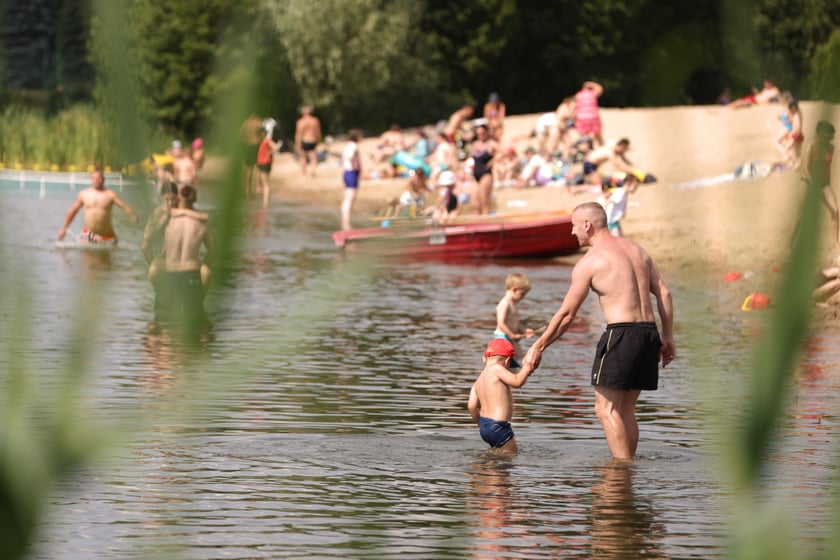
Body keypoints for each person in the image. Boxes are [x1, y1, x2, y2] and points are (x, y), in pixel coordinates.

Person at [522, 202, 675, 459]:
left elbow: (567, 315)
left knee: (605, 409)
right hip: (650, 333)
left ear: (587, 225)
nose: (572, 233)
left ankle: (622, 474)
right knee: (626, 409)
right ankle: (629, 471)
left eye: (573, 226)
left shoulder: (590, 261)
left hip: (621, 334)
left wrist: (538, 346)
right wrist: (668, 335)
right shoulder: (638, 250)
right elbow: (664, 292)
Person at [157, 185, 215, 322]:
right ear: (195, 200)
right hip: (191, 274)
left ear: (178, 198)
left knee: (165, 323)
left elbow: (149, 241)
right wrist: (204, 265)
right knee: (195, 320)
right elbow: (213, 252)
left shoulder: (167, 219)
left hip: (169, 274)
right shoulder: (202, 224)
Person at [467, 338, 533, 454]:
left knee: (496, 456)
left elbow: (471, 407)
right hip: (499, 426)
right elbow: (517, 382)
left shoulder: (477, 382)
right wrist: (526, 368)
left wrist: (480, 424)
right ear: (507, 361)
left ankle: (481, 470)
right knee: (509, 458)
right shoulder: (497, 369)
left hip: (484, 426)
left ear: (484, 358)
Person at [57, 167, 138, 245]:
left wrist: (133, 215)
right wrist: (64, 229)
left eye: (99, 178)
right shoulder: (84, 194)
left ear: (103, 179)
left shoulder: (110, 195)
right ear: (91, 179)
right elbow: (73, 212)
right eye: (95, 178)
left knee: (108, 257)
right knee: (86, 258)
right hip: (89, 234)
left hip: (107, 234)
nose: (97, 180)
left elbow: (124, 206)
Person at [800, 120, 839, 247]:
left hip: (823, 183)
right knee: (803, 217)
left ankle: (836, 242)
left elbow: (827, 168)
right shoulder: (811, 145)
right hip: (808, 181)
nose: (830, 139)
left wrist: (827, 186)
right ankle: (792, 243)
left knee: (836, 210)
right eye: (828, 136)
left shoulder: (831, 148)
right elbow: (805, 168)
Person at [494, 273, 536, 359]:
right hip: (503, 338)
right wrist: (512, 335)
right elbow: (501, 324)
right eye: (522, 294)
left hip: (510, 337)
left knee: (521, 358)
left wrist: (524, 331)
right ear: (514, 289)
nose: (523, 297)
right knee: (506, 361)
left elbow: (514, 324)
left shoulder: (513, 304)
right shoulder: (505, 303)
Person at [597, 173, 640, 237]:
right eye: (635, 187)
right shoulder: (620, 193)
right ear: (628, 183)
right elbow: (609, 201)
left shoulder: (624, 193)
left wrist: (624, 213)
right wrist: (603, 213)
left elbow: (623, 204)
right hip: (610, 221)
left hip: (614, 221)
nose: (636, 189)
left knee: (621, 239)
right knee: (617, 240)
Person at [470, 123, 499, 215]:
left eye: (482, 133)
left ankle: (487, 222)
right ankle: (476, 226)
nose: (481, 136)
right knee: (475, 204)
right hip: (475, 175)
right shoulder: (475, 144)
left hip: (486, 174)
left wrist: (493, 161)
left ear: (487, 132)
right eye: (478, 134)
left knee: (484, 202)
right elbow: (470, 158)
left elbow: (506, 152)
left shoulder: (491, 143)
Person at [341, 129, 363, 231]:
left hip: (347, 172)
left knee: (348, 197)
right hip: (351, 173)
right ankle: (346, 223)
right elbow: (351, 157)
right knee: (350, 198)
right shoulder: (354, 146)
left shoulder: (347, 145)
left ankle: (345, 221)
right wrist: (356, 167)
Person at [295, 105, 322, 177]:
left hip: (304, 141)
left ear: (303, 113)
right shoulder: (315, 120)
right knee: (313, 156)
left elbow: (298, 134)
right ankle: (313, 170)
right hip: (313, 140)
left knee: (303, 156)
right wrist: (318, 141)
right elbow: (318, 132)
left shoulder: (300, 122)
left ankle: (304, 172)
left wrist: (297, 144)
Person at [575, 81, 605, 147]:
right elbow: (600, 88)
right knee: (598, 134)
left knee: (584, 136)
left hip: (581, 117)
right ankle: (602, 148)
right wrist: (591, 84)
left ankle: (586, 150)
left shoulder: (578, 95)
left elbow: (574, 106)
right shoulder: (592, 94)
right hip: (593, 117)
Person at [256, 127, 278, 207]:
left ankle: (265, 204)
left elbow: (275, 147)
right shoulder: (262, 141)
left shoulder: (267, 140)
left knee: (266, 184)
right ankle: (265, 203)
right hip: (262, 163)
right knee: (263, 183)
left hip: (265, 163)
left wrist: (269, 153)